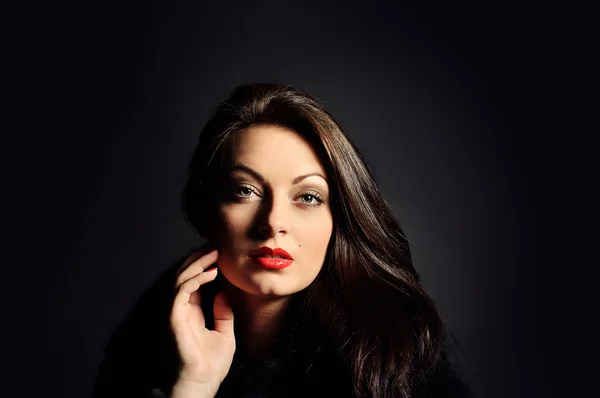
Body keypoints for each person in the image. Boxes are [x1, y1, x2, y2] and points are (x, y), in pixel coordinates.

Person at [92, 83, 473, 398]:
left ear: (338, 220)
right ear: (207, 210)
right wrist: (195, 384)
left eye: (308, 197)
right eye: (245, 191)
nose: (273, 223)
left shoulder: (396, 357)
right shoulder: (144, 347)